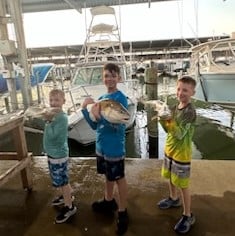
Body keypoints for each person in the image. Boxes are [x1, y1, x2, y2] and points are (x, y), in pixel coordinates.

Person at [81, 63, 129, 235]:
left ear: (118, 78)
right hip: (101, 146)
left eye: (113, 75)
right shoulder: (101, 98)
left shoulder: (120, 98)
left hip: (115, 147)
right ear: (103, 78)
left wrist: (104, 118)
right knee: (108, 176)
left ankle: (123, 211)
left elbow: (120, 123)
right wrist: (84, 110)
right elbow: (94, 126)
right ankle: (108, 201)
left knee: (119, 178)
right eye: (107, 75)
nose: (109, 78)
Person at [157, 75, 197, 234]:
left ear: (192, 92)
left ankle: (188, 215)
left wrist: (167, 118)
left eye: (185, 90)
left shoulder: (190, 112)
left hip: (182, 154)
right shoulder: (175, 107)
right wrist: (162, 117)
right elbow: (168, 130)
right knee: (170, 178)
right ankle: (173, 199)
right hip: (170, 150)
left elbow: (180, 134)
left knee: (183, 185)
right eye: (179, 89)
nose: (181, 93)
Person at [43, 88, 77, 224]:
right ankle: (66, 197)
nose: (53, 103)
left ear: (64, 101)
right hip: (53, 154)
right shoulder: (53, 116)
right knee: (62, 180)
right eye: (51, 100)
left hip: (58, 156)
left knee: (62, 182)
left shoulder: (62, 118)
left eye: (56, 100)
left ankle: (70, 206)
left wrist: (48, 121)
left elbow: (55, 137)